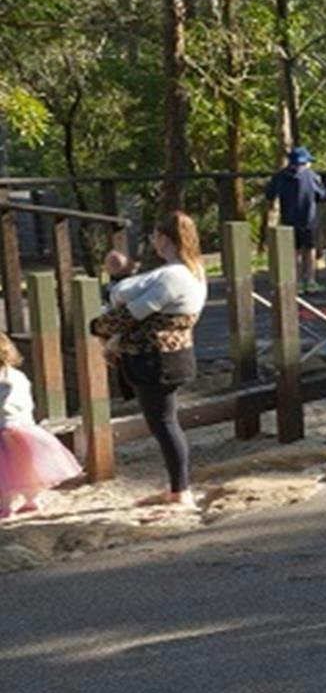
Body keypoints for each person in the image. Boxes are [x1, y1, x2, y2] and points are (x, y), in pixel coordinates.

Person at [99, 212, 207, 511]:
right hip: (171, 356)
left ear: (163, 238)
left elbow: (131, 309)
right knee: (165, 421)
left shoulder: (173, 275)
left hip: (156, 359)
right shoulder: (192, 270)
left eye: (154, 238)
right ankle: (178, 487)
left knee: (164, 424)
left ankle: (181, 490)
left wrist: (98, 325)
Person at [0, 332, 82, 516]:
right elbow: (27, 402)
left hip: (4, 427)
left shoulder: (3, 380)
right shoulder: (18, 375)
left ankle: (5, 506)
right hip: (26, 427)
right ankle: (32, 500)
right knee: (26, 467)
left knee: (4, 474)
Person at [264, 146, 326, 292]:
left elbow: (270, 194)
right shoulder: (312, 176)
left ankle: (297, 281)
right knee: (310, 249)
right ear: (305, 162)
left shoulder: (280, 176)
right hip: (309, 219)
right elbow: (321, 195)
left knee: (294, 251)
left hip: (289, 219)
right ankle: (311, 280)